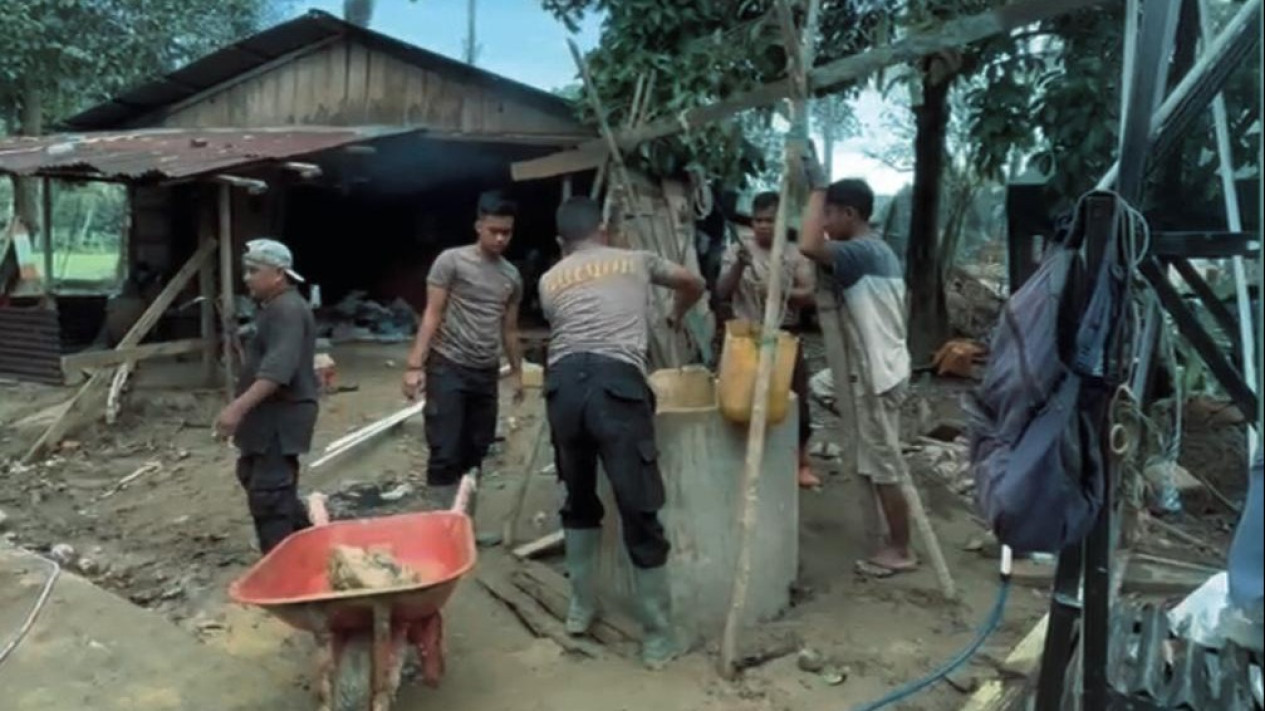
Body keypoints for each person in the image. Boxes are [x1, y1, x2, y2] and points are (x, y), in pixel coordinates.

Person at [538, 196, 705, 669]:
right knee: (639, 505)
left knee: (578, 497)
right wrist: (676, 312)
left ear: (561, 243)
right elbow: (694, 282)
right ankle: (657, 637)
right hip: (617, 385)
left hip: (564, 386)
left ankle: (580, 608)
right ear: (604, 231)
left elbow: (568, 322)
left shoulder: (550, 280)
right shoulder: (636, 259)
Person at [794, 153, 916, 578]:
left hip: (879, 374)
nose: (823, 222)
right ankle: (862, 442)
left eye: (828, 214)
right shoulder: (871, 252)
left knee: (884, 466)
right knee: (824, 386)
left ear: (848, 213)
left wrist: (814, 190)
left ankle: (901, 549)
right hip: (872, 369)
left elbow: (809, 245)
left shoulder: (863, 251)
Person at [402, 190, 524, 508]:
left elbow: (509, 330)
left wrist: (518, 374)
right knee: (444, 449)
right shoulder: (451, 261)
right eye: (493, 230)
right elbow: (432, 313)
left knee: (477, 450)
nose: (500, 238)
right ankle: (438, 524)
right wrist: (415, 365)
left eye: (506, 232)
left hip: (486, 373)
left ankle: (464, 524)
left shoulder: (511, 276)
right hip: (448, 366)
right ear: (478, 226)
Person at [215, 238, 318, 555]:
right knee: (254, 475)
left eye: (253, 271)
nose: (246, 278)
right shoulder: (274, 308)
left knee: (269, 493)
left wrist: (236, 408)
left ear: (278, 274)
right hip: (268, 416)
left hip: (282, 416)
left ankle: (282, 567)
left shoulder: (287, 310)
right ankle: (310, 542)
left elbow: (277, 372)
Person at [716, 191, 820, 488]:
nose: (762, 226)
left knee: (795, 400)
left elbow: (810, 293)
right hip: (745, 338)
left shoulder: (794, 253)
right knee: (740, 400)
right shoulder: (737, 249)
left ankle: (801, 463)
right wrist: (738, 266)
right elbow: (721, 293)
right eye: (758, 220)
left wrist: (777, 293)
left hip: (785, 335)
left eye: (769, 221)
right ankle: (740, 457)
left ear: (781, 222)